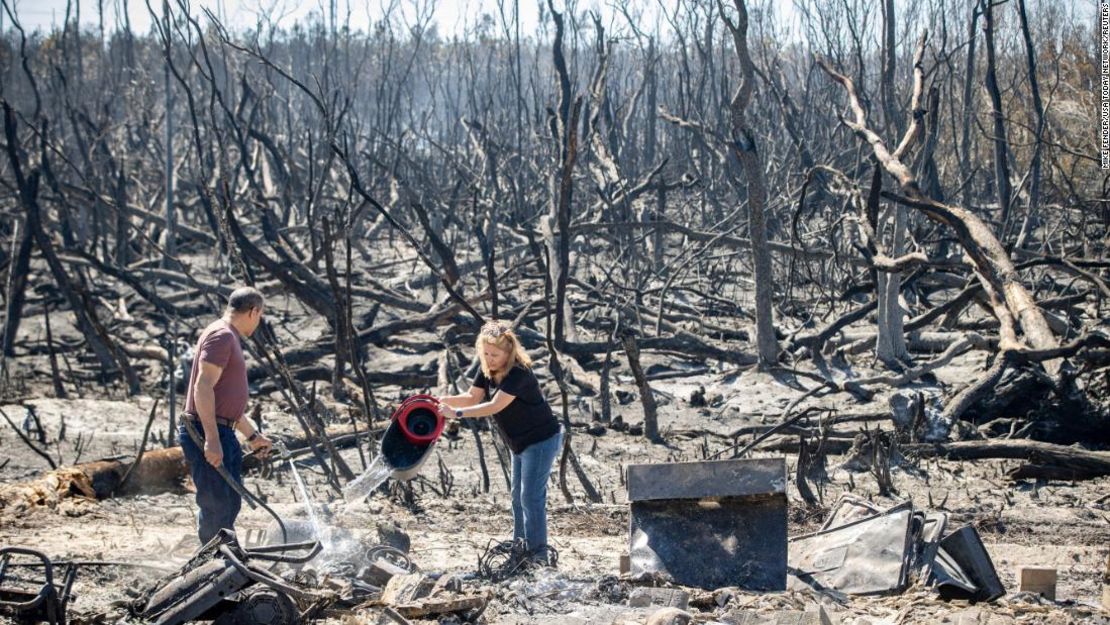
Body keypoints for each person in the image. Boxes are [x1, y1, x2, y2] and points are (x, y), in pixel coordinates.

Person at [438, 320, 563, 563]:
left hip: (541, 440)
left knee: (531, 497)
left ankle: (538, 557)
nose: (490, 358)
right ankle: (520, 551)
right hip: (519, 442)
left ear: (509, 352)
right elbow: (472, 397)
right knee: (517, 496)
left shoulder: (519, 373)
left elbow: (494, 406)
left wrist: (457, 415)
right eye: (485, 353)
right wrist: (438, 400)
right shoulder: (487, 370)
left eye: (495, 354)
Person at [180, 286, 272, 544]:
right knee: (217, 505)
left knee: (229, 503)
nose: (259, 322)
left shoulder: (227, 336)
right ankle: (212, 565)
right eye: (260, 316)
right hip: (206, 429)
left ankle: (225, 559)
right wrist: (211, 439)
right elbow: (203, 386)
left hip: (222, 429)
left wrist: (253, 437)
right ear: (254, 311)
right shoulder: (221, 335)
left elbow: (226, 403)